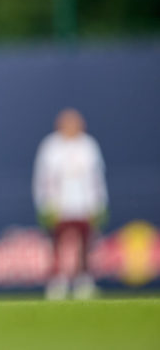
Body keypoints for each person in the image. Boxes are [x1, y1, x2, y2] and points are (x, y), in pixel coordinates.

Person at [33, 108, 108, 300]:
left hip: (83, 205)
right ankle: (57, 283)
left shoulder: (88, 146)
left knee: (85, 245)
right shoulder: (51, 146)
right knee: (57, 246)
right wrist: (45, 204)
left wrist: (98, 203)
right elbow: (43, 178)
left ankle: (84, 282)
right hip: (59, 205)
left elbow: (96, 177)